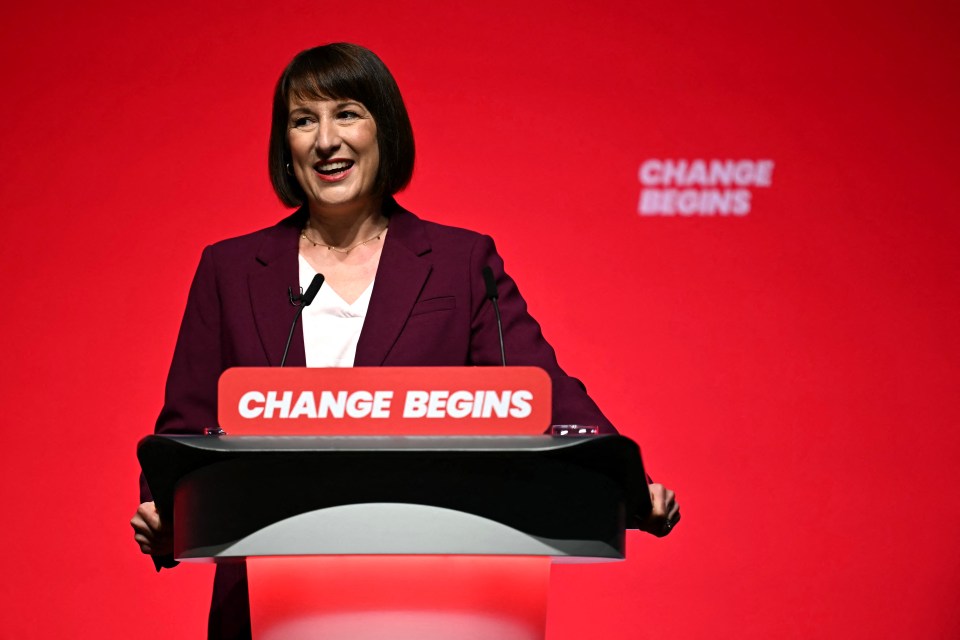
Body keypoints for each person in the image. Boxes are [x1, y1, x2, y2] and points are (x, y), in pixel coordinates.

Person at [131, 42, 680, 639]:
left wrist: (624, 482)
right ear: (284, 146)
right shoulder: (230, 269)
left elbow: (540, 389)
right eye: (302, 120)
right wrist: (164, 513)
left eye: (346, 114)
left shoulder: (457, 262)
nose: (324, 141)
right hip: (268, 598)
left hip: (427, 594)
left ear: (383, 129)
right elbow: (185, 424)